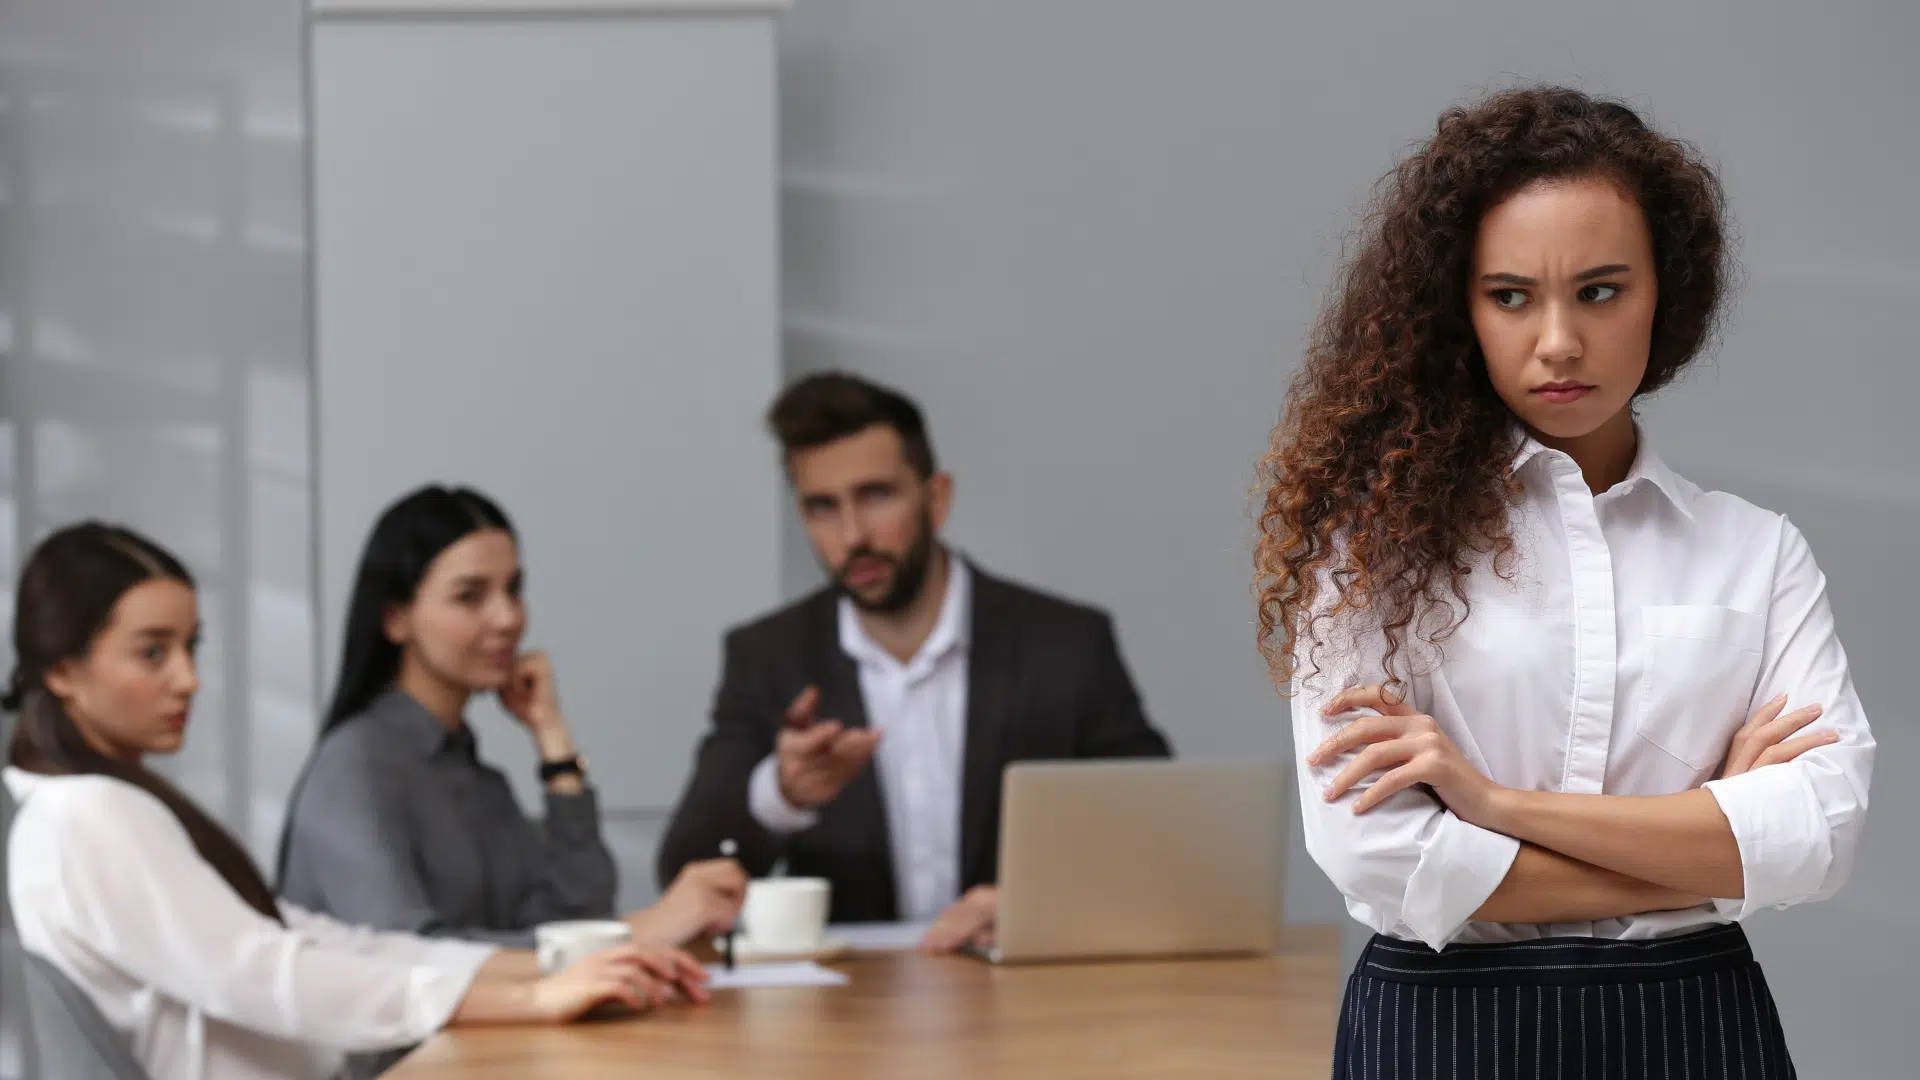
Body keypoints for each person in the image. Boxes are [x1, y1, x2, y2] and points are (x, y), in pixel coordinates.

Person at [1255, 86, 1874, 1077]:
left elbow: (1818, 841)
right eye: (1510, 296)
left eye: (1600, 290)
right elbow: (1382, 860)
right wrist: (1713, 839)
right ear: (1458, 309)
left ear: (1665, 292)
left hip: (1696, 1030)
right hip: (1438, 1033)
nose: (1558, 342)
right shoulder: (1372, 552)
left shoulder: (1756, 554)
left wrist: (1493, 805)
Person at [3, 523, 712, 1080]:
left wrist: (562, 970)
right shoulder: (88, 816)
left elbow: (318, 939)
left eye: (193, 647)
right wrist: (533, 996)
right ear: (63, 671)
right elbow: (266, 973)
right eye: (153, 652)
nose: (189, 679)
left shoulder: (102, 806)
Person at [657, 373, 1171, 949]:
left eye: (876, 495)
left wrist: (1038, 908)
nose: (852, 535)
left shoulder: (1064, 644)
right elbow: (682, 873)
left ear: (936, 498)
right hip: (851, 992)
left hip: (1023, 980)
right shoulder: (770, 655)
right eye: (822, 507)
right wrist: (782, 794)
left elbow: (1157, 836)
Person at [279, 486, 745, 953]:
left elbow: (578, 918)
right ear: (396, 618)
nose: (507, 619)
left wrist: (553, 741)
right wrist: (636, 932)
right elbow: (409, 959)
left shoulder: (479, 780)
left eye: (514, 590)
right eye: (470, 596)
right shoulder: (355, 766)